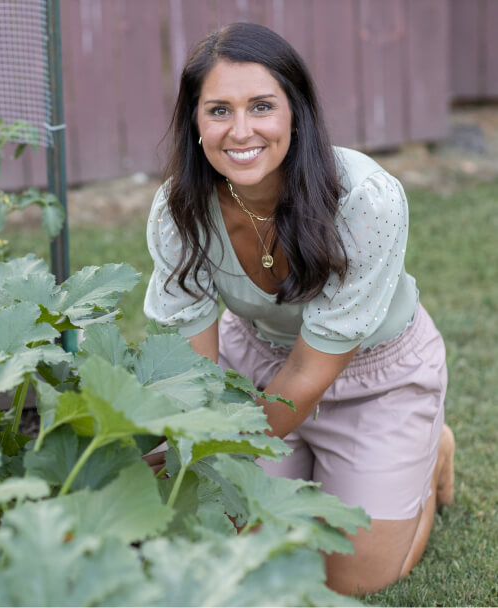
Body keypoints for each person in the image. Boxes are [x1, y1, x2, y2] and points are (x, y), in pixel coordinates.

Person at [143, 22, 455, 595]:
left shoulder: (364, 199)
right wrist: (187, 445)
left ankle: (429, 453)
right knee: (238, 539)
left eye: (262, 106)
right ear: (195, 122)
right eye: (218, 110)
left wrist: (212, 449)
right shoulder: (179, 211)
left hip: (373, 378)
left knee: (353, 575)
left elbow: (311, 373)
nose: (241, 131)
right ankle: (311, 467)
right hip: (259, 365)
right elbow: (194, 370)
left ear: (296, 112)